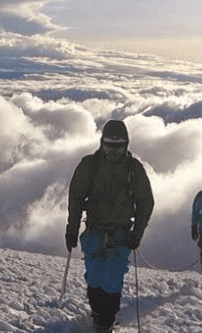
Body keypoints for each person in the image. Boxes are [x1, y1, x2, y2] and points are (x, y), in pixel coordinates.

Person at [66, 119, 154, 333]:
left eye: (119, 145)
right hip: (95, 231)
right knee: (95, 276)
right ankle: (100, 315)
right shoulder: (90, 165)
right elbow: (76, 198)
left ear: (126, 145)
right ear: (102, 143)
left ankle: (105, 321)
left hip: (121, 234)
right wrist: (72, 229)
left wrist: (137, 233)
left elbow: (146, 202)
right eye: (109, 145)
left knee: (112, 279)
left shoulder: (133, 169)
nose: (114, 150)